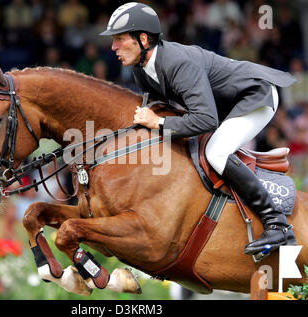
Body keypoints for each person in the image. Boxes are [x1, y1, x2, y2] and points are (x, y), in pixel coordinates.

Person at [99, 2, 297, 255]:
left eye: (119, 39)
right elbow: (154, 117)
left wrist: (158, 123)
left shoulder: (178, 63)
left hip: (254, 96)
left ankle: (276, 224)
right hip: (224, 106)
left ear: (143, 38)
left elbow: (204, 120)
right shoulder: (142, 70)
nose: (113, 47)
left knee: (216, 153)